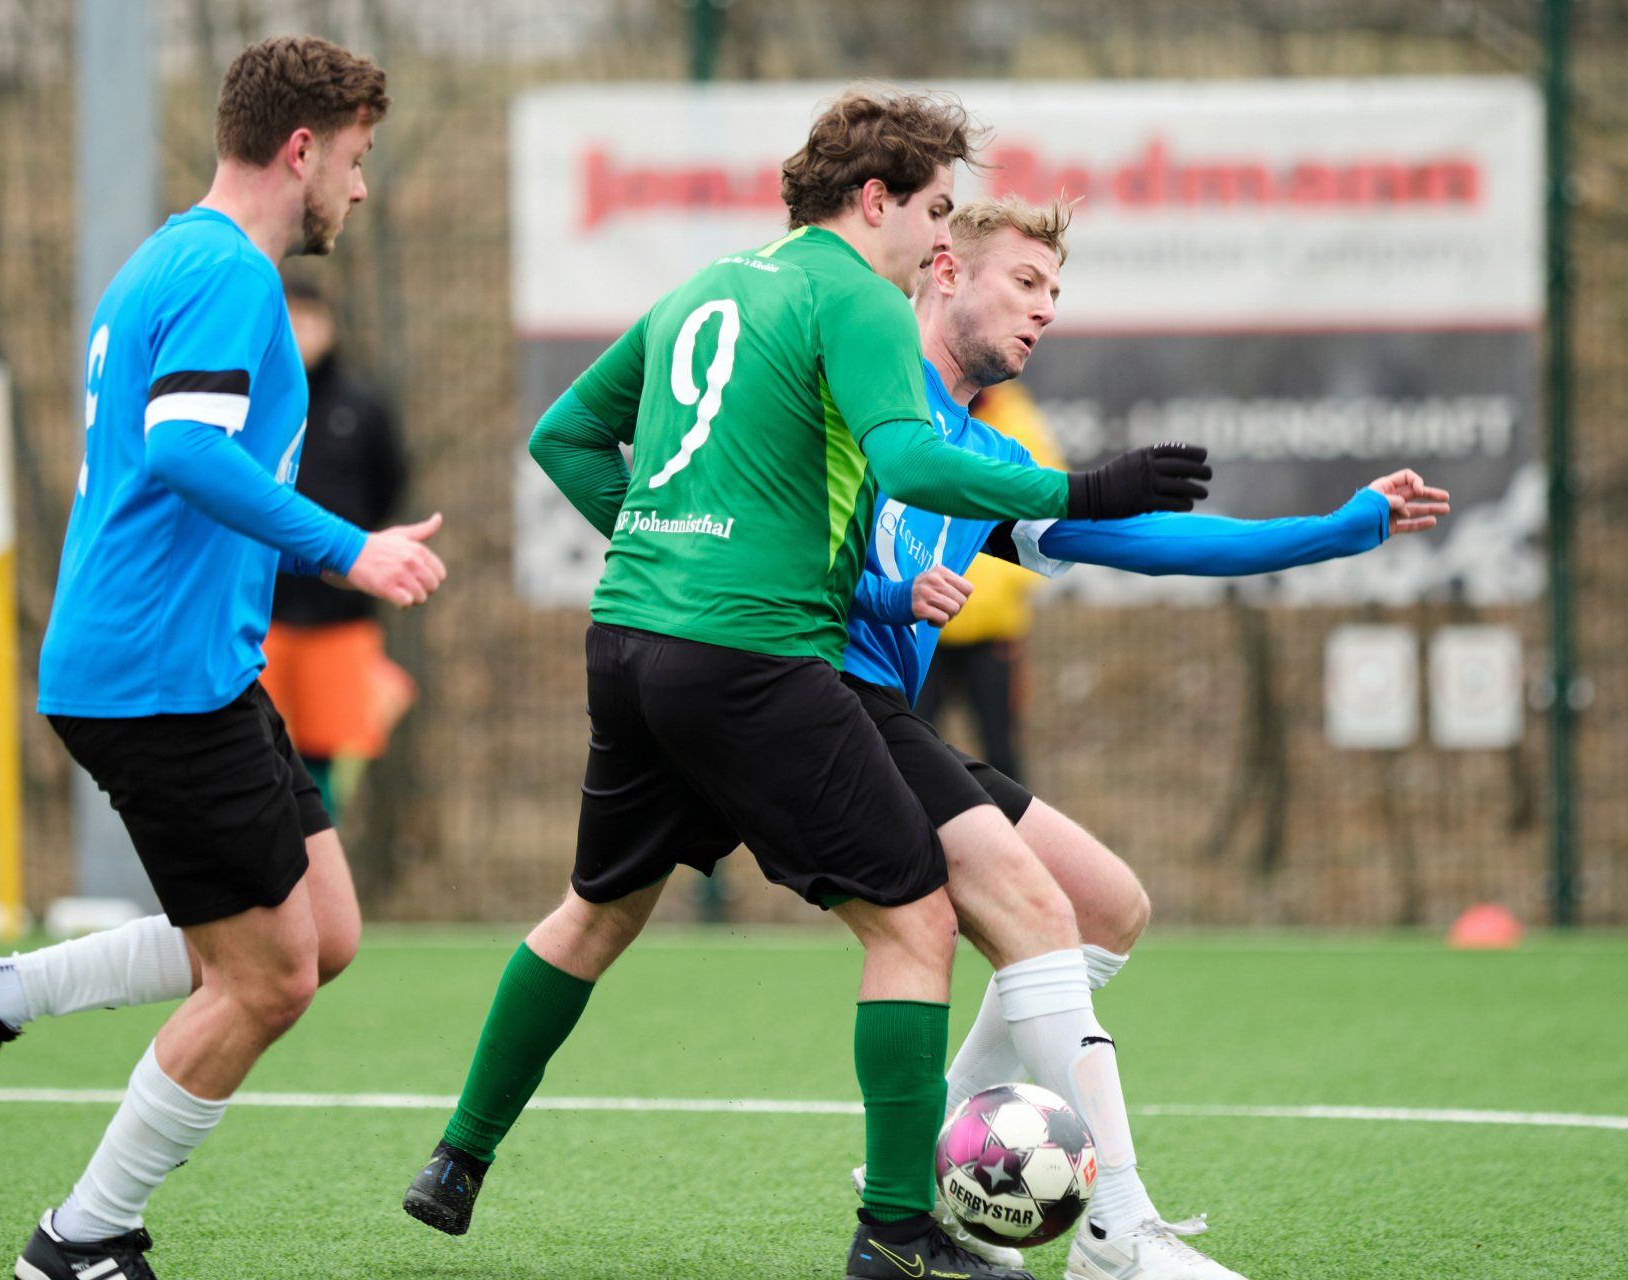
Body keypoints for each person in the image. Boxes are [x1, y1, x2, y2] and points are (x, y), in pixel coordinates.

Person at [400, 88, 1209, 1280]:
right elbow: (912, 457)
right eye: (935, 209)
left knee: (599, 907)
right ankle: (895, 1230)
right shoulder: (857, 293)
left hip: (631, 640)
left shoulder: (706, 286)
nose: (941, 238)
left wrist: (662, 544)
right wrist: (1081, 490)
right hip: (752, 657)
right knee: (915, 914)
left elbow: (564, 434)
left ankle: (457, 1156)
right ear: (874, 199)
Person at [0, 37, 445, 1280]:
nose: (361, 188)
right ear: (301, 149)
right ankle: (80, 1237)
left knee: (323, 929)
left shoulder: (172, 254)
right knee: (268, 980)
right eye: (357, 159)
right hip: (157, 678)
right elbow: (184, 449)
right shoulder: (230, 273)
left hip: (188, 663)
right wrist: (349, 550)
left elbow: (184, 464)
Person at [840, 194, 1449, 1280]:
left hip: (884, 715)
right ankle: (1117, 1226)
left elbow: (1158, 540)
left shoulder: (985, 454)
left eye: (1056, 291)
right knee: (1036, 911)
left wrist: (1343, 526)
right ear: (944, 270)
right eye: (1026, 281)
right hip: (817, 710)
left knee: (1108, 904)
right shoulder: (864, 404)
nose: (1046, 308)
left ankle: (940, 1171)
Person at [263, 274, 414, 818]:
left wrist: (352, 553)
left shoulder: (362, 408)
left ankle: (316, 847)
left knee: (326, 753)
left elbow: (389, 484)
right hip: (263, 609)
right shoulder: (253, 403)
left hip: (341, 615)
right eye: (289, 320)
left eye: (309, 319)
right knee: (260, 748)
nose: (300, 332)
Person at [914, 382, 1064, 780]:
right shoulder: (918, 405)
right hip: (921, 625)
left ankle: (1007, 822)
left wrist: (1006, 587)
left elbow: (1049, 508)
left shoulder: (1016, 418)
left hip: (993, 628)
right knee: (906, 747)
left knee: (1002, 751)